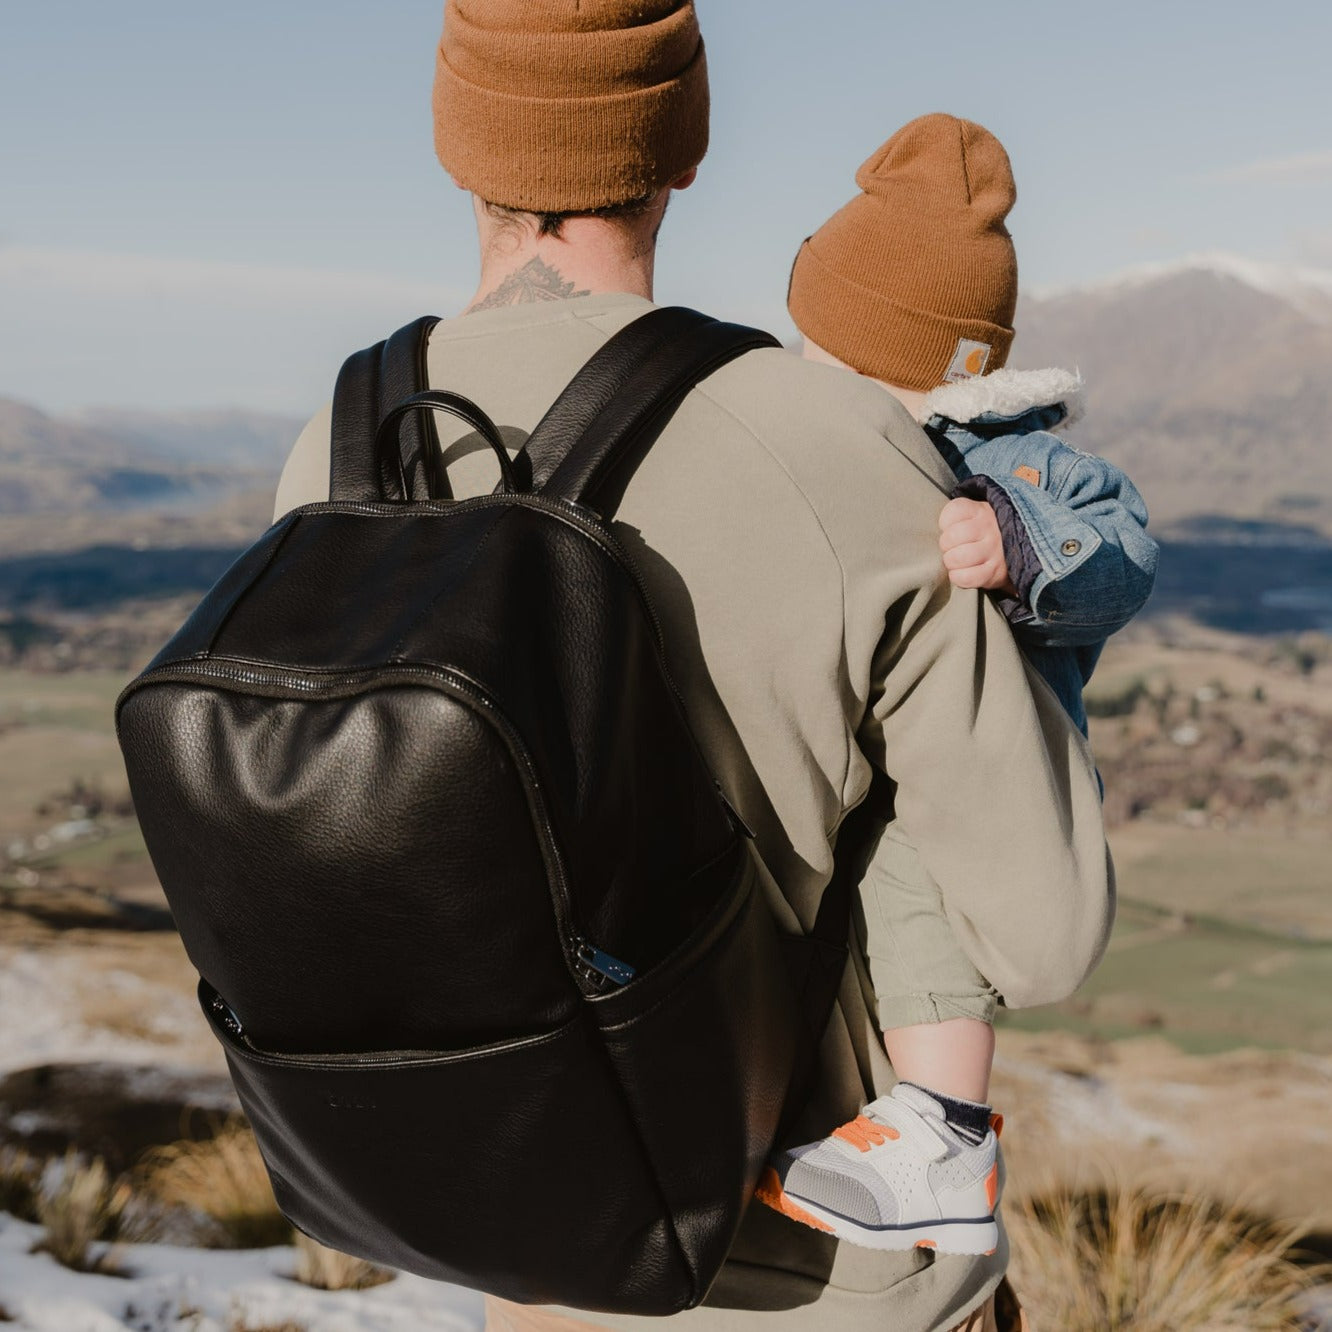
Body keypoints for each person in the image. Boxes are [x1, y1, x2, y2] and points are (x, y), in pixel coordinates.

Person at [273, 4, 1112, 1329]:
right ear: (686, 150)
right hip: (817, 1270)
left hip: (534, 1250)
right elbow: (1047, 928)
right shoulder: (829, 445)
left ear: (457, 146)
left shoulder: (343, 445)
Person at [759, 114, 1156, 1255]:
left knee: (914, 868)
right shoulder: (824, 420)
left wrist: (1017, 542)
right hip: (867, 744)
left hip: (986, 772)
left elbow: (1123, 552)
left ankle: (945, 1130)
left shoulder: (1019, 460)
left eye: (827, 354)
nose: (807, 375)